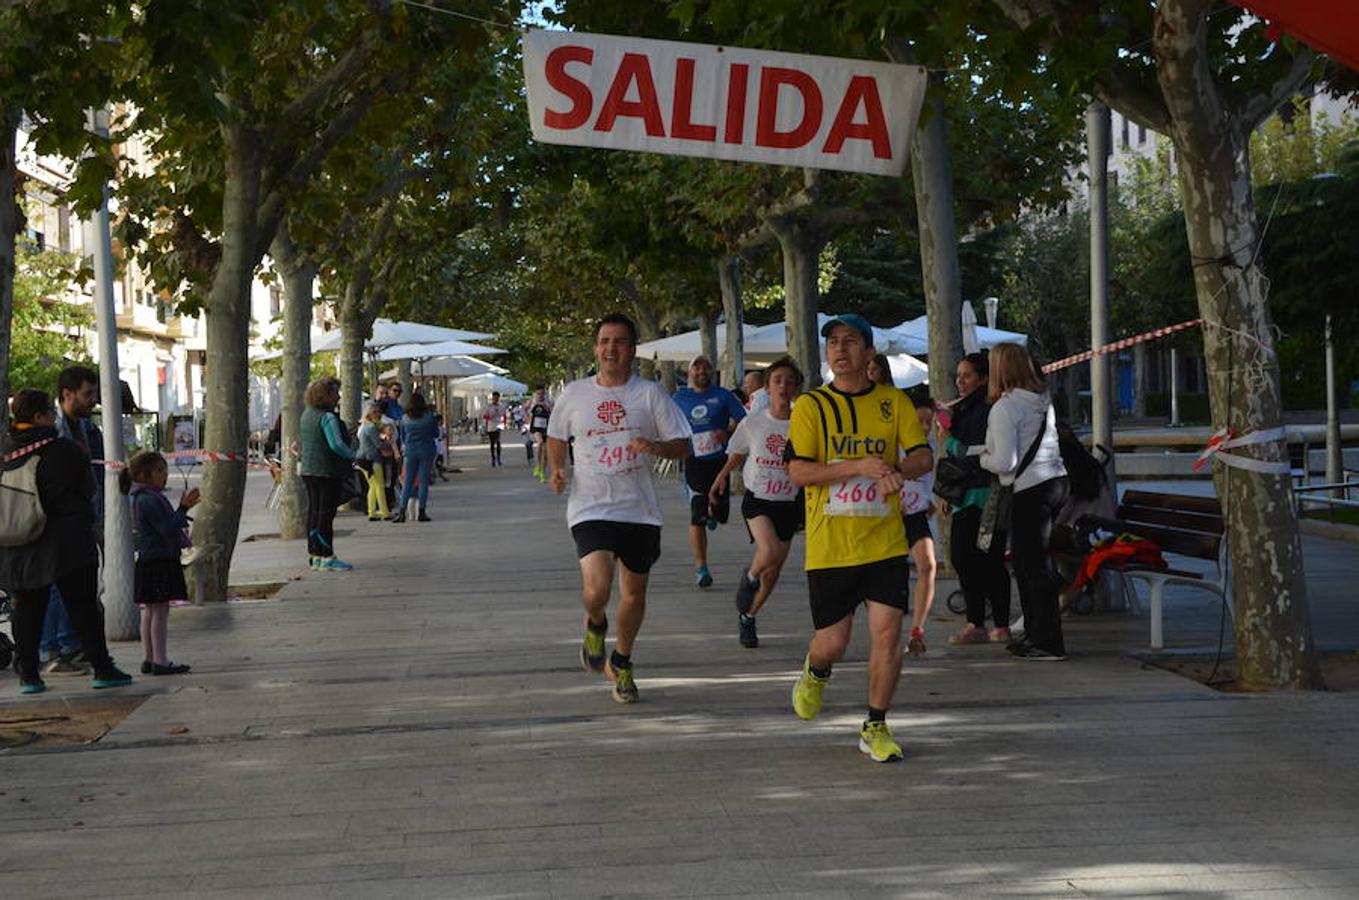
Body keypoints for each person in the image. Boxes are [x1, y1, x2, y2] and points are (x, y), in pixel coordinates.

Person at [786, 314, 932, 763]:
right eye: (833, 341)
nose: (839, 348)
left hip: (884, 543)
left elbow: (923, 457)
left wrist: (895, 470)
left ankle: (876, 724)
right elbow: (799, 472)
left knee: (887, 635)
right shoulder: (811, 405)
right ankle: (816, 670)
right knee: (833, 644)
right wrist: (859, 466)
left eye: (850, 341)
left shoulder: (894, 402)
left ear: (869, 353)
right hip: (830, 547)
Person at [546, 313, 691, 704]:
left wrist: (656, 447)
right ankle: (595, 622)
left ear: (632, 349)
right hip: (590, 505)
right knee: (597, 588)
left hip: (639, 509)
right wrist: (557, 468)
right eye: (604, 341)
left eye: (620, 341)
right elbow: (556, 435)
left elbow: (682, 444)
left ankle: (622, 660)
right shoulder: (575, 393)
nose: (611, 348)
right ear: (596, 348)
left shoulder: (650, 394)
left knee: (634, 593)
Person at [0, 389, 133, 694]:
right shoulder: (65, 451)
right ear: (39, 416)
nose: (53, 415)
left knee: (27, 610)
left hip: (20, 542)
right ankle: (103, 669)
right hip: (67, 543)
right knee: (83, 607)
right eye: (50, 411)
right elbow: (87, 491)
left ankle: (29, 675)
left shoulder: (6, 451)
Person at [979, 343, 1069, 661]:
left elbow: (1005, 462)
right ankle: (1035, 634)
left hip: (1028, 489)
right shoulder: (1042, 401)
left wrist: (982, 458)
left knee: (1032, 567)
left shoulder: (1005, 408)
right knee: (1031, 563)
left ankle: (1046, 641)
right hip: (1054, 481)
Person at [708, 356, 803, 649]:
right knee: (768, 550)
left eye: (789, 381)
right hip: (758, 500)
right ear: (767, 387)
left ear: (796, 388)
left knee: (772, 572)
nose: (783, 386)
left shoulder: (803, 424)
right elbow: (737, 453)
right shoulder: (754, 423)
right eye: (778, 381)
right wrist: (721, 477)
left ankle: (748, 616)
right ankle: (749, 577)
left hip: (789, 502)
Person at [938, 351, 1014, 645]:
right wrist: (949, 492)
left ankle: (998, 623)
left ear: (983, 378)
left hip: (987, 496)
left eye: (967, 375)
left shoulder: (989, 409)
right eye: (958, 376)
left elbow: (975, 453)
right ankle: (977, 621)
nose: (960, 381)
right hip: (965, 495)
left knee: (988, 559)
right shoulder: (965, 408)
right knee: (964, 557)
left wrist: (950, 441)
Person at [867, 355, 939, 657]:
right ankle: (885, 628)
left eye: (929, 422)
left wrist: (930, 499)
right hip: (887, 514)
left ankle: (918, 631)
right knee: (887, 576)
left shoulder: (930, 446)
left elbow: (929, 477)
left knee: (928, 565)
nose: (924, 427)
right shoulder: (890, 438)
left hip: (916, 514)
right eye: (919, 421)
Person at [41, 365, 105, 675]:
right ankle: (51, 649)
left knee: (76, 585)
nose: (93, 400)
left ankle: (71, 645)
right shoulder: (54, 430)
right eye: (87, 393)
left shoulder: (86, 428)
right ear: (67, 394)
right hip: (57, 520)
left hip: (82, 518)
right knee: (56, 585)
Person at [672, 355, 746, 588]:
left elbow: (744, 421)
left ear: (713, 372)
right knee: (697, 516)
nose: (702, 371)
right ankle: (701, 567)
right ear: (689, 372)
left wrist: (727, 433)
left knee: (721, 515)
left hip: (720, 463)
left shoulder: (723, 396)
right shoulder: (679, 398)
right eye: (697, 367)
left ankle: (714, 513)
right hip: (694, 461)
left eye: (706, 367)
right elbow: (667, 424)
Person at [123, 451, 198, 675]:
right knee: (160, 611)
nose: (164, 475)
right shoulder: (149, 499)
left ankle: (149, 658)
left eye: (164, 470)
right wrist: (183, 509)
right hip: (159, 559)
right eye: (158, 471)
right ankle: (160, 660)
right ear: (143, 475)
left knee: (150, 610)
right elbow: (166, 527)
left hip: (150, 559)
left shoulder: (143, 496)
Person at [299, 378, 357, 571]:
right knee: (326, 514)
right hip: (326, 471)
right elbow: (336, 444)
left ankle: (315, 555)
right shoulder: (327, 417)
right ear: (326, 395)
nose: (338, 397)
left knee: (314, 512)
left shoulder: (307, 414)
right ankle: (327, 556)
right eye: (336, 393)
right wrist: (353, 455)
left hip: (308, 470)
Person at [394, 390, 439, 523]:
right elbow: (436, 433)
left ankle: (402, 511)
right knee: (423, 482)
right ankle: (422, 511)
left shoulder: (405, 418)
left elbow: (402, 436)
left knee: (408, 482)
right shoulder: (429, 417)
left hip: (410, 451)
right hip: (426, 450)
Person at [356, 403, 391, 521]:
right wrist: (387, 444)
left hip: (363, 459)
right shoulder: (371, 428)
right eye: (374, 412)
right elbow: (378, 444)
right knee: (379, 486)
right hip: (372, 459)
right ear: (368, 414)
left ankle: (372, 512)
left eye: (378, 411)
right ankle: (385, 512)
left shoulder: (365, 426)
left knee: (373, 486)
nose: (378, 414)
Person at [528, 388, 552, 481]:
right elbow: (527, 410)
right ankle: (538, 465)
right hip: (536, 427)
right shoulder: (533, 402)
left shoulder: (548, 402)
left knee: (545, 451)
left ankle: (542, 471)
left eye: (542, 393)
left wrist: (544, 405)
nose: (540, 395)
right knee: (540, 442)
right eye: (538, 393)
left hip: (546, 427)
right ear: (535, 394)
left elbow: (552, 411)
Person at [483, 391, 507, 467]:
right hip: (491, 426)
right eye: (494, 398)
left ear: (499, 398)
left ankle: (499, 458)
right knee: (492, 443)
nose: (495, 400)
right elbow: (484, 416)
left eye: (497, 398)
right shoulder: (488, 406)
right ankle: (493, 458)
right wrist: (489, 417)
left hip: (499, 425)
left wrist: (505, 424)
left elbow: (504, 415)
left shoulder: (501, 406)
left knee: (498, 441)